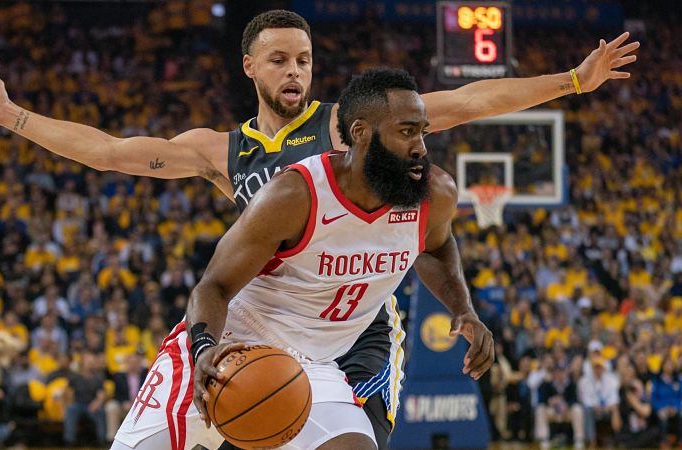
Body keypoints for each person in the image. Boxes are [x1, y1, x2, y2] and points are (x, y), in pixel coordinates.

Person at [0, 10, 639, 448]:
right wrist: (11, 117)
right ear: (250, 67)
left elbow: (464, 100)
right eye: (279, 59)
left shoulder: (348, 125)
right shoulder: (221, 150)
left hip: (353, 329)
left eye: (303, 59)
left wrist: (571, 81)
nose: (295, 70)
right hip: (258, 319)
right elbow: (109, 150)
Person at [110, 68, 489, 449]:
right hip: (230, 344)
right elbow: (214, 286)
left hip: (312, 364)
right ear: (360, 134)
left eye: (423, 131)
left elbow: (436, 247)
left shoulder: (433, 193)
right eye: (407, 131)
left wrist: (463, 309)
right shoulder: (295, 195)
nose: (421, 146)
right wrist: (204, 348)